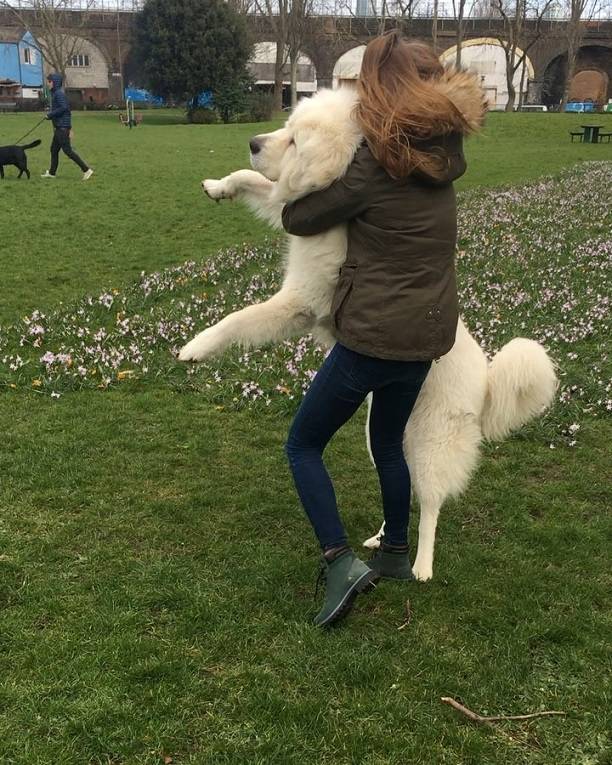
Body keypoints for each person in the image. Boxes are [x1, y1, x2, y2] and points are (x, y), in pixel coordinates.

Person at [281, 31, 487, 628]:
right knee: (390, 442)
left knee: (303, 444)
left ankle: (340, 560)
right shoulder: (444, 155)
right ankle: (396, 551)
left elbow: (301, 216)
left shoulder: (377, 159)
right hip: (426, 336)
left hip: (373, 335)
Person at [41, 73, 93, 181]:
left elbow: (64, 108)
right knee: (54, 150)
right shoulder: (55, 94)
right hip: (60, 127)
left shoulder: (59, 94)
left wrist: (50, 115)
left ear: (54, 83)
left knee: (68, 151)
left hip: (62, 128)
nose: (48, 84)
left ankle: (86, 170)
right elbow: (63, 110)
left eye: (49, 82)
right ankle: (52, 173)